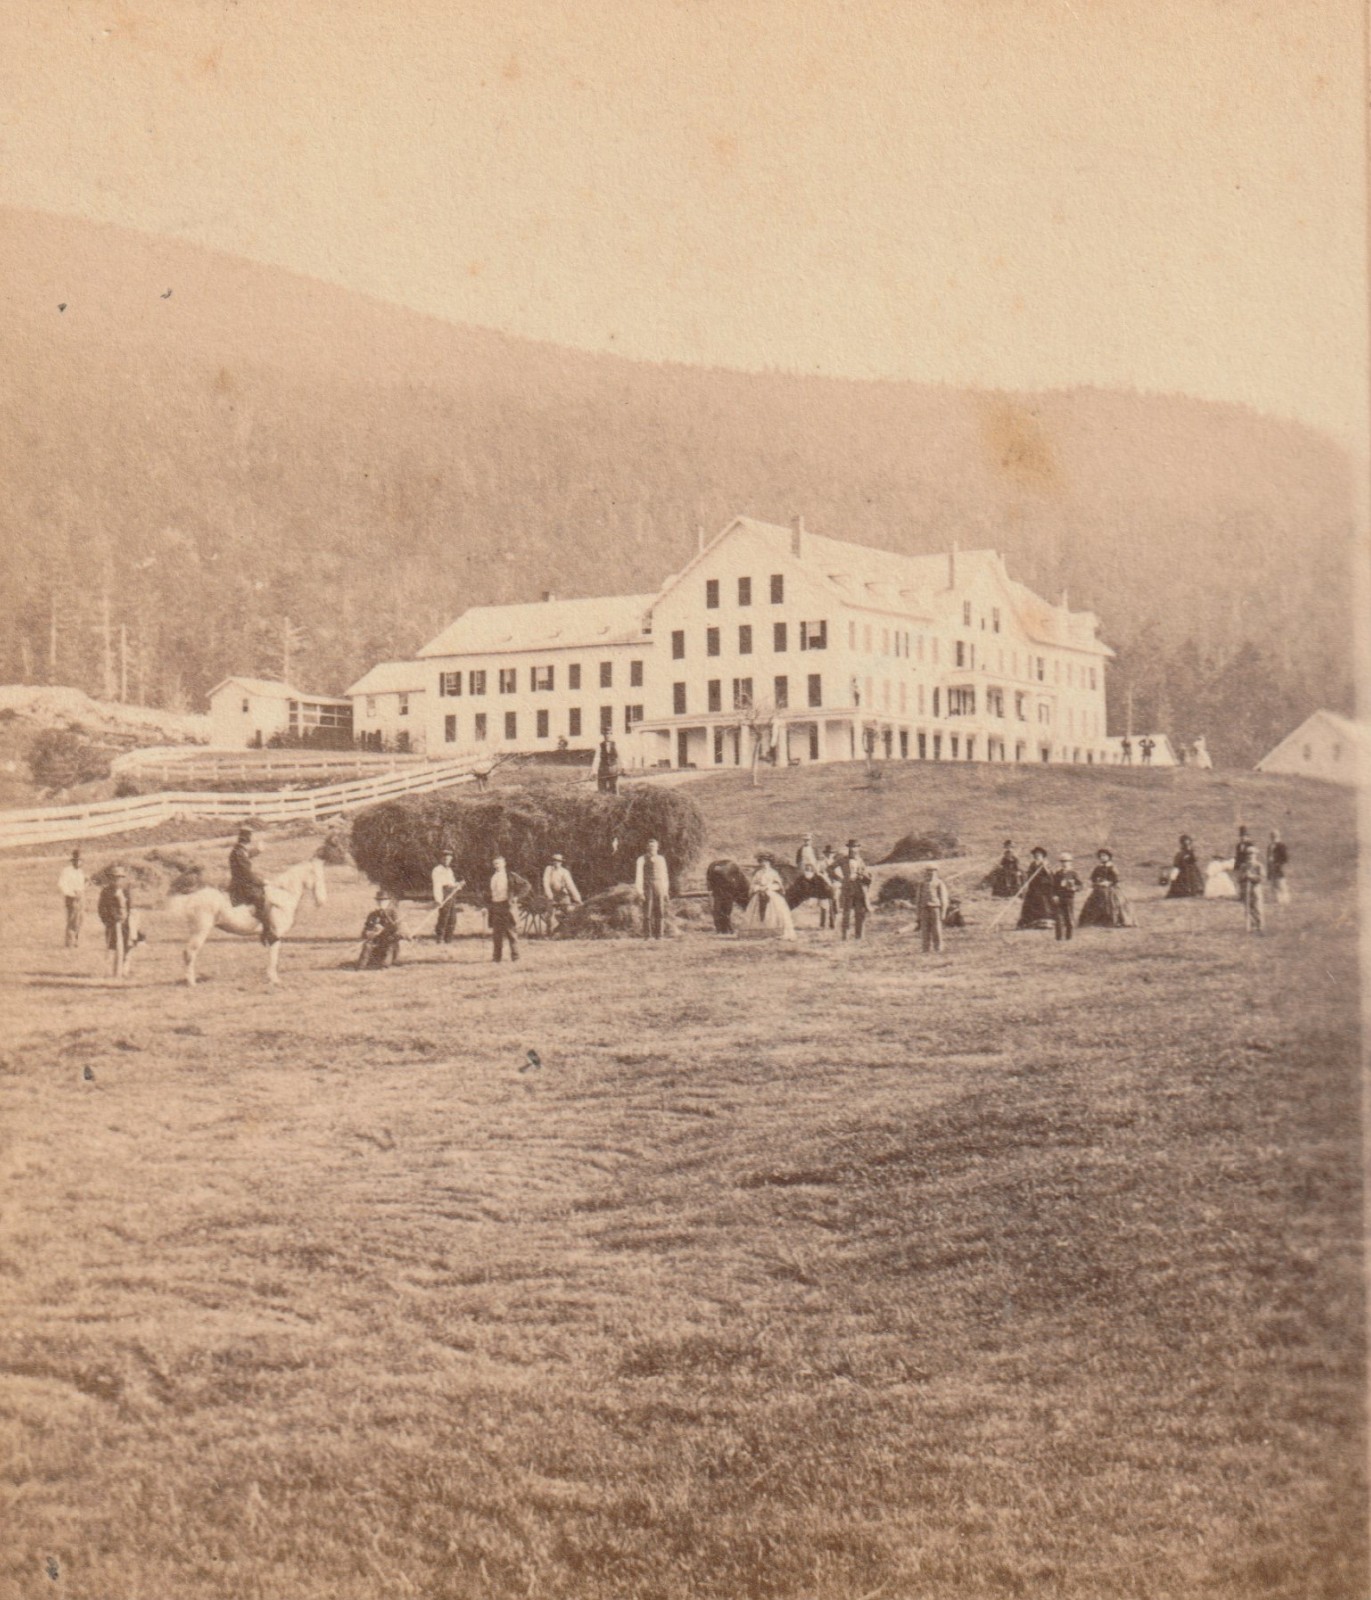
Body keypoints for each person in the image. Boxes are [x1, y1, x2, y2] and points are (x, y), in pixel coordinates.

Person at [228, 826, 277, 944]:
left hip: (244, 883)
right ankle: (267, 932)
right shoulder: (238, 852)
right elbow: (247, 873)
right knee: (260, 898)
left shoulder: (240, 850)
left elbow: (247, 855)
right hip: (241, 885)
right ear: (247, 838)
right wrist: (262, 881)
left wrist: (258, 850)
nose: (252, 838)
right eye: (250, 836)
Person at [739, 852, 797, 940]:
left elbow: (778, 885)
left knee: (774, 913)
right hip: (759, 894)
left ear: (770, 863)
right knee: (757, 914)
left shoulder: (773, 873)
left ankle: (776, 933)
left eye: (766, 862)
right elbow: (753, 884)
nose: (764, 864)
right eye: (762, 862)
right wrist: (758, 888)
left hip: (771, 894)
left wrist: (769, 887)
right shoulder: (758, 873)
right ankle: (758, 934)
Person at [1078, 848, 1136, 928]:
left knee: (1113, 903)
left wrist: (1108, 882)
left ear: (1109, 857)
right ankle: (1096, 921)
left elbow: (1116, 879)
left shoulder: (1112, 867)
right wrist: (1097, 881)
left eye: (1104, 856)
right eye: (1101, 856)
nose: (1102, 857)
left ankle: (1114, 921)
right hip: (1098, 889)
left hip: (1110, 889)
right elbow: (1093, 878)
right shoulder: (1098, 868)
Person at [97, 865, 137, 979]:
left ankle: (124, 970)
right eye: (114, 878)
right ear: (110, 879)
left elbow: (131, 907)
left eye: (119, 878)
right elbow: (101, 908)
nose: (117, 880)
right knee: (111, 946)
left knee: (127, 946)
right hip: (112, 924)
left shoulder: (126, 891)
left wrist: (128, 920)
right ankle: (109, 971)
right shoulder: (106, 892)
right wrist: (108, 921)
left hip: (125, 924)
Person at [357, 890, 406, 969]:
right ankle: (361, 967)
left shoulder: (394, 914)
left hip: (389, 943)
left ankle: (386, 962)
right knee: (367, 947)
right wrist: (370, 933)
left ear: (388, 901)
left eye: (384, 901)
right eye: (379, 901)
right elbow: (364, 932)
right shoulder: (373, 915)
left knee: (385, 964)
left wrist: (390, 934)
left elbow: (401, 932)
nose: (381, 903)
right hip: (376, 942)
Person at [634, 837, 671, 939]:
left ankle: (659, 935)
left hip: (659, 885)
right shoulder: (641, 859)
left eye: (654, 846)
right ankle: (647, 935)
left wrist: (665, 891)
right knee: (647, 911)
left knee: (660, 910)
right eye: (650, 846)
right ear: (646, 847)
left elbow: (665, 875)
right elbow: (639, 875)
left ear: (657, 847)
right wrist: (640, 892)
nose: (652, 848)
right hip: (647, 885)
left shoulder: (661, 859)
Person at [837, 839, 873, 941]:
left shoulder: (860, 861)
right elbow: (830, 869)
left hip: (859, 890)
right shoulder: (843, 860)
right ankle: (845, 936)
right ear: (848, 848)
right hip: (848, 889)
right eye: (851, 847)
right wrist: (840, 879)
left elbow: (866, 874)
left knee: (859, 913)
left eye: (855, 847)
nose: (853, 849)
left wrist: (861, 875)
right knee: (846, 913)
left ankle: (859, 936)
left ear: (858, 848)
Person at [487, 855, 520, 962]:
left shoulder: (510, 875)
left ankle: (515, 957)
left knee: (511, 932)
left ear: (504, 864)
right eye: (495, 864)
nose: (496, 865)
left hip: (507, 906)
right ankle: (496, 958)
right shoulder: (493, 877)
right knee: (497, 934)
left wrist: (516, 897)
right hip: (495, 906)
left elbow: (526, 885)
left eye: (499, 863)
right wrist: (486, 906)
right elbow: (489, 893)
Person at [1016, 847, 1056, 929]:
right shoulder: (1032, 864)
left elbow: (1050, 875)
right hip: (1033, 888)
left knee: (1044, 904)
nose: (1037, 856)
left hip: (1044, 888)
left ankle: (1046, 923)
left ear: (1042, 856)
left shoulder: (1046, 864)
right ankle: (1031, 923)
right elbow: (1029, 875)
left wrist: (1044, 867)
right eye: (1036, 854)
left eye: (1039, 855)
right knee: (1030, 904)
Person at [916, 865, 950, 953]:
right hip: (924, 909)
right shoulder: (922, 884)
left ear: (936, 872)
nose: (930, 873)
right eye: (928, 871)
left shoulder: (939, 883)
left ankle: (938, 948)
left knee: (936, 929)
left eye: (933, 871)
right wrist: (918, 913)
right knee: (925, 930)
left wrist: (943, 912)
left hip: (935, 908)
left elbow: (943, 898)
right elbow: (918, 899)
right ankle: (925, 949)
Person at [431, 849, 463, 944]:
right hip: (444, 893)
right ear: (441, 859)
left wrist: (458, 884)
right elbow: (437, 885)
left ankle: (448, 939)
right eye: (445, 859)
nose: (447, 861)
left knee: (452, 917)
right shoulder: (437, 870)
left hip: (452, 893)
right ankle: (439, 938)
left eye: (449, 859)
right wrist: (438, 899)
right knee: (444, 916)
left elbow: (451, 883)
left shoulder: (449, 870)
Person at [1050, 853, 1083, 942]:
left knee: (1069, 917)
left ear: (1070, 862)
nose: (1064, 864)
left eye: (1067, 862)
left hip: (1069, 897)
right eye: (1063, 862)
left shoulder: (1073, 873)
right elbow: (1053, 886)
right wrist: (1054, 895)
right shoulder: (1058, 873)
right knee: (1058, 918)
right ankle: (1059, 938)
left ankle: (1069, 937)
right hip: (1059, 898)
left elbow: (1080, 885)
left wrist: (1074, 888)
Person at [1234, 840, 1265, 933]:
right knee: (1248, 908)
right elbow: (1239, 878)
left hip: (1255, 889)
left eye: (1252, 855)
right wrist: (1244, 876)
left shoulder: (1258, 866)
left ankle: (1260, 926)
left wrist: (1251, 876)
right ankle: (1251, 925)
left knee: (1257, 907)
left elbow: (1261, 878)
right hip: (1246, 890)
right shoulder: (1244, 866)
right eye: (1248, 855)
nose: (1250, 857)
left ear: (1256, 855)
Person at [58, 848, 86, 947]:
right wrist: (71, 893)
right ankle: (69, 942)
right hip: (71, 898)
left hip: (80, 898)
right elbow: (62, 884)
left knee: (80, 919)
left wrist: (81, 891)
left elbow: (82, 885)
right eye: (77, 861)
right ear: (73, 861)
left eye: (80, 861)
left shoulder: (80, 872)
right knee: (71, 919)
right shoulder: (67, 871)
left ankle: (76, 940)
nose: (78, 863)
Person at [1165, 834, 1206, 898]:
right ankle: (1182, 892)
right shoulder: (1180, 853)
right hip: (1183, 871)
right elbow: (1177, 863)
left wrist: (1190, 854)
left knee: (1193, 880)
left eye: (1189, 843)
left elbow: (1193, 860)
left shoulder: (1190, 852)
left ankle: (1193, 891)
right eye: (1186, 842)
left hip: (1191, 870)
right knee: (1182, 881)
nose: (1188, 845)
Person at [1266, 829, 1290, 906]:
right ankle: (1276, 900)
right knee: (1273, 885)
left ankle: (1285, 900)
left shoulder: (1281, 846)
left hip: (1279, 868)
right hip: (1271, 868)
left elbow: (1285, 858)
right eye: (1272, 836)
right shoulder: (1270, 846)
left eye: (1275, 836)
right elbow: (1268, 858)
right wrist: (1269, 870)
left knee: (1281, 884)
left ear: (1278, 836)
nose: (1273, 838)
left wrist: (1277, 863)